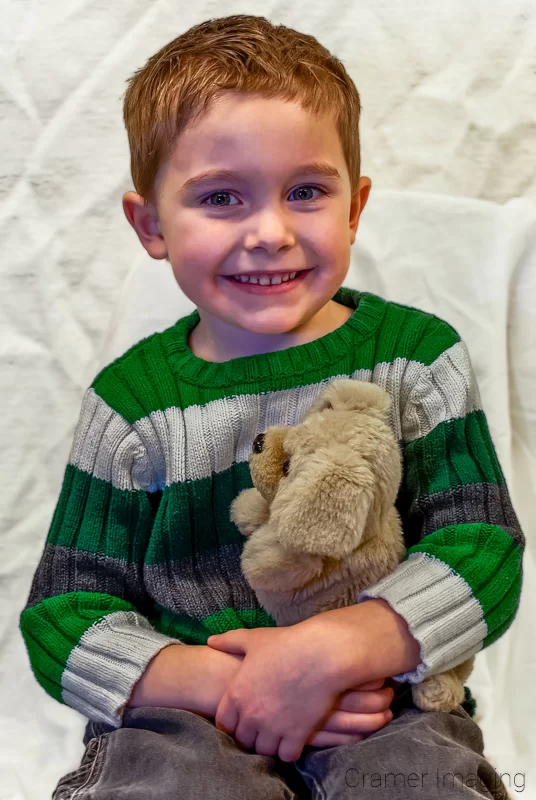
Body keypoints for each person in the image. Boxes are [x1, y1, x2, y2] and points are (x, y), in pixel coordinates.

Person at [20, 14, 523, 800]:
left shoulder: (416, 359)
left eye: (306, 191)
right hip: (187, 715)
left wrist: (334, 651)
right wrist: (224, 685)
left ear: (353, 207)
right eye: (221, 197)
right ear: (151, 224)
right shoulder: (130, 407)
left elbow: (481, 547)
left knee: (416, 784)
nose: (271, 231)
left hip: (379, 703)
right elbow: (64, 614)